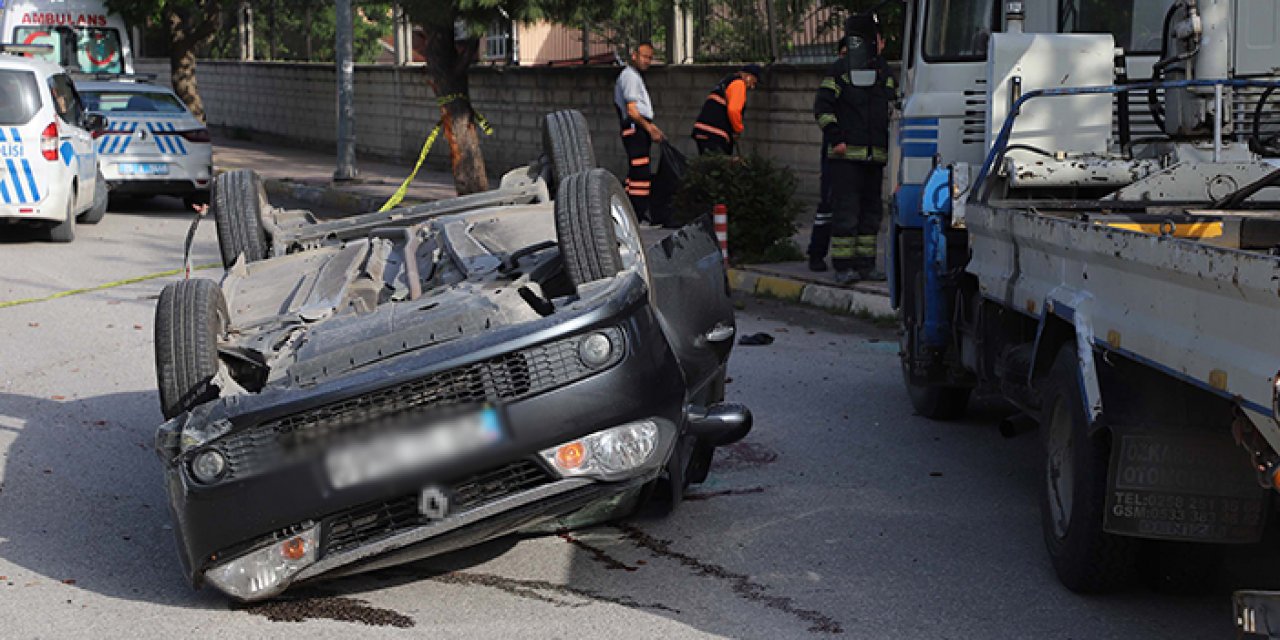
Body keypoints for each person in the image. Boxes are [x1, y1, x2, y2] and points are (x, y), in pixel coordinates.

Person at [813, 13, 894, 284]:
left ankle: (865, 265)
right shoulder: (841, 69)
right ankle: (843, 267)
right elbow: (823, 108)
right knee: (846, 213)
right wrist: (836, 139)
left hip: (875, 157)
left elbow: (894, 107)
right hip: (845, 157)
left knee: (871, 214)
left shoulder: (884, 72)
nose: (881, 43)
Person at [615, 42, 665, 223]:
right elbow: (633, 110)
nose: (647, 61)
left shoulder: (634, 76)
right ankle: (637, 213)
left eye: (650, 58)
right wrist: (649, 128)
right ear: (634, 55)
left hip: (637, 128)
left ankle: (633, 211)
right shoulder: (630, 77)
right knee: (640, 173)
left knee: (637, 172)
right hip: (635, 129)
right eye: (644, 56)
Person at [807, 43, 845, 273]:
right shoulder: (835, 78)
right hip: (836, 152)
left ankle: (851, 262)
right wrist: (836, 138)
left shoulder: (872, 76)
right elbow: (822, 110)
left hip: (858, 155)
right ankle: (816, 253)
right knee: (828, 205)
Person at [691, 64, 762, 156]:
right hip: (716, 134)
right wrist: (738, 130)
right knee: (719, 166)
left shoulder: (726, 82)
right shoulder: (739, 84)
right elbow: (734, 110)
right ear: (748, 76)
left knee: (708, 165)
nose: (752, 87)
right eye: (753, 82)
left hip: (703, 131)